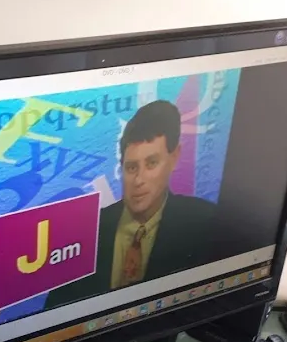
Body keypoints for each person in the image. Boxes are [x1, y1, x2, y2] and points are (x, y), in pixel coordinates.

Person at [45, 99, 215, 309]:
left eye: (151, 163)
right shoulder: (85, 231)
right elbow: (55, 310)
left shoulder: (205, 222)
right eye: (132, 167)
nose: (139, 180)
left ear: (174, 157)